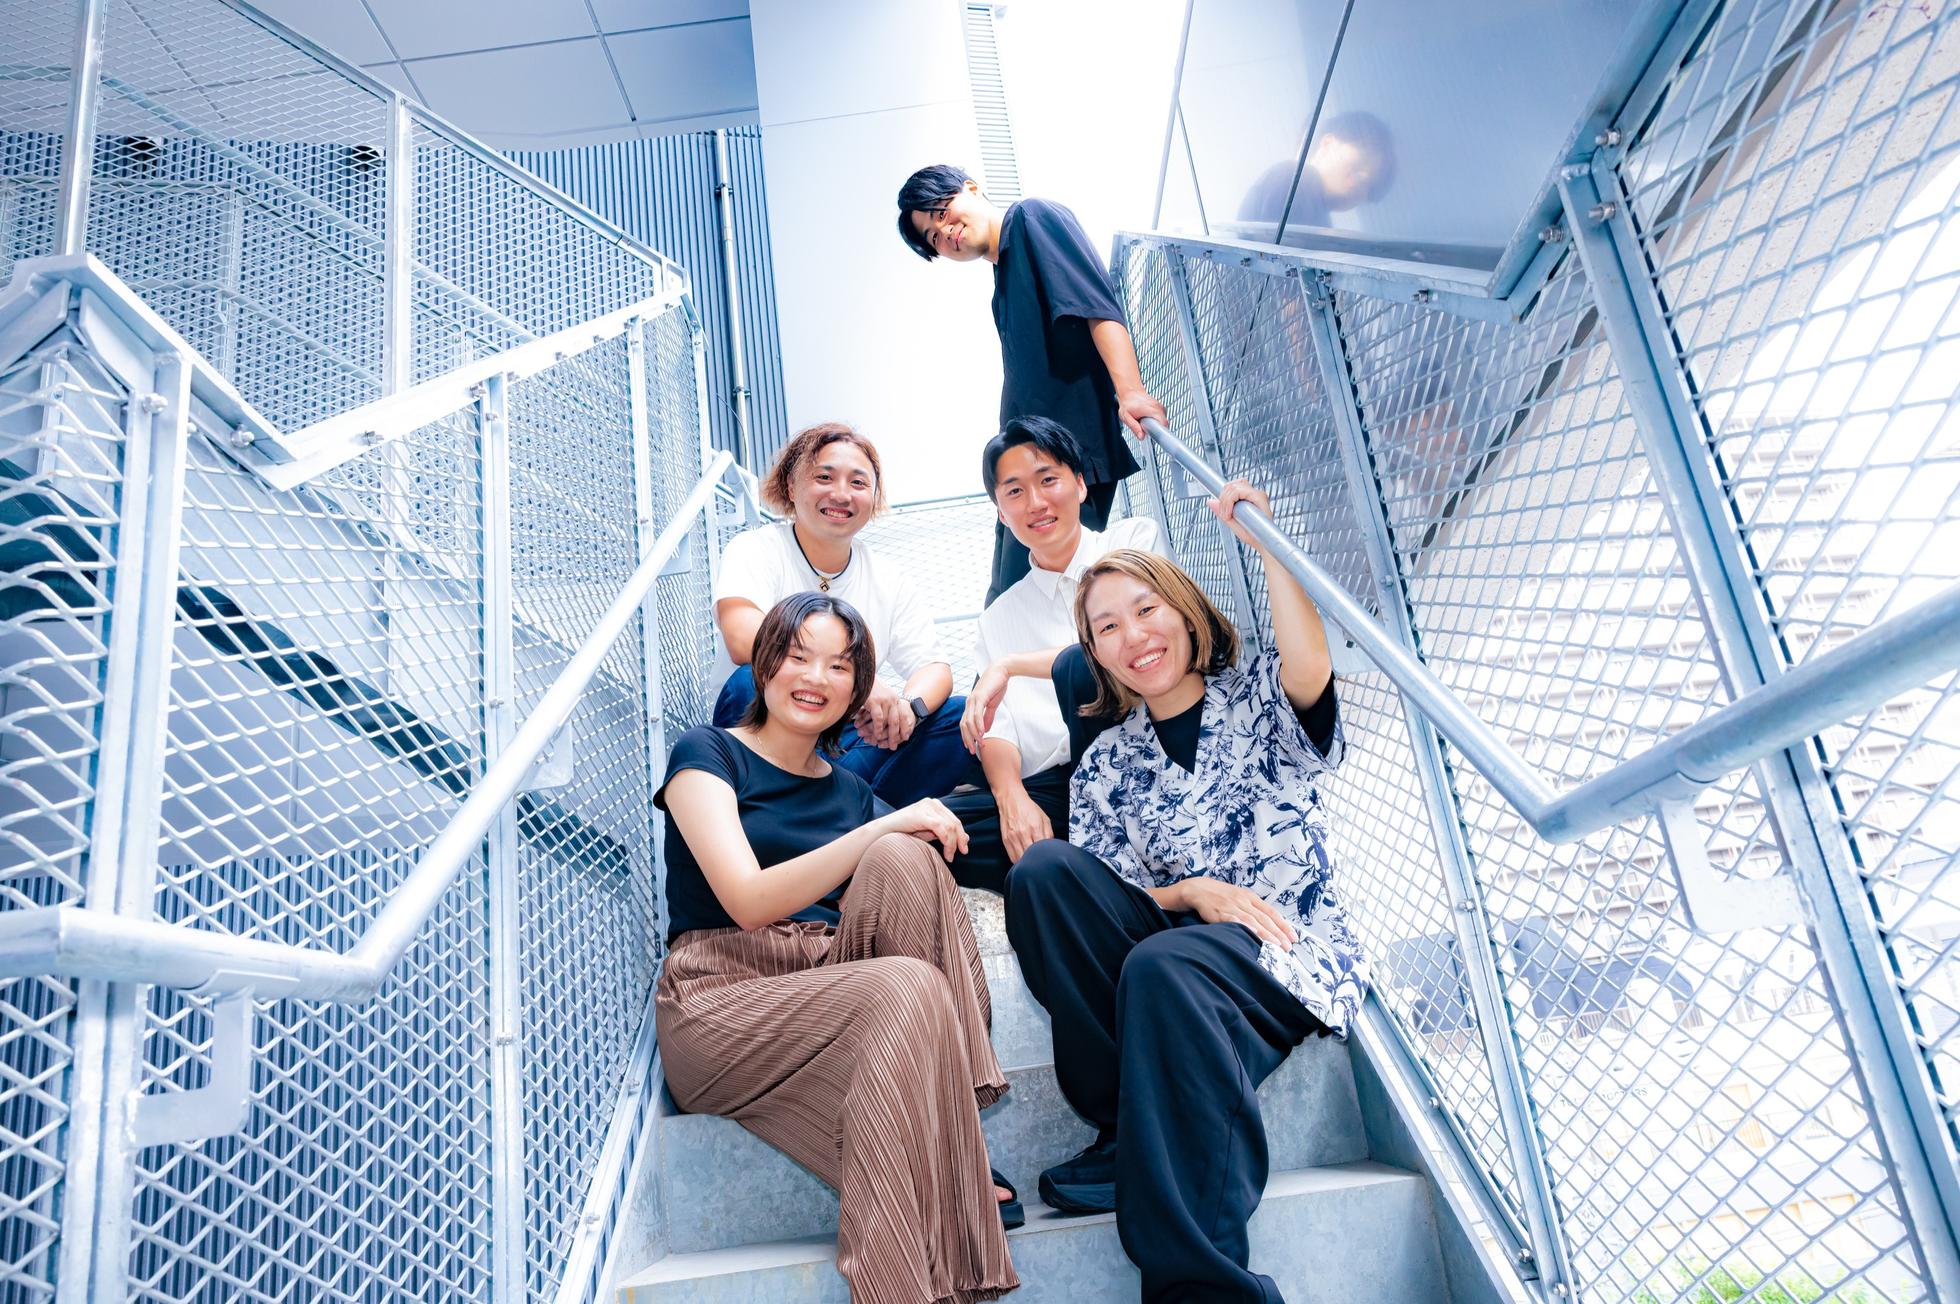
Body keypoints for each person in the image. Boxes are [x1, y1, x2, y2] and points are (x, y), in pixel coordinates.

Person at [1003, 480, 1365, 1303]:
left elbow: (1310, 665)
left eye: (1145, 610)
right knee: (1044, 872)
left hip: (1277, 950)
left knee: (1163, 966)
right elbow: (1109, 891)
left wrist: (1267, 546)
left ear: (1186, 611)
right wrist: (1193, 891)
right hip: (1169, 962)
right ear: (1095, 656)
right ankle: (1126, 1124)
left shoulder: (1260, 695)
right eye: (1106, 628)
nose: (1133, 635)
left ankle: (1203, 1289)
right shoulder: (1105, 762)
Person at [655, 591, 1022, 1304]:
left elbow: (916, 871)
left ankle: (946, 1124)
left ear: (858, 689)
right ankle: (950, 1152)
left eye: (838, 666)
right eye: (798, 657)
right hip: (721, 1000)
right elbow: (748, 900)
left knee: (910, 860)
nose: (815, 678)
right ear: (766, 663)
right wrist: (882, 827)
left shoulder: (850, 790)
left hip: (825, 988)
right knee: (904, 961)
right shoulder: (708, 752)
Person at [894, 165, 1167, 602]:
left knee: (1039, 600)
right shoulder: (1001, 283)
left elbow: (1096, 307)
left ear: (971, 189)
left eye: (942, 213)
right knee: (1010, 599)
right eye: (933, 237)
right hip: (1024, 469)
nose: (944, 233)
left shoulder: (1031, 218)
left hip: (1063, 464)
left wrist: (1130, 391)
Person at [941, 417, 1164, 893]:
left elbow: (1118, 651)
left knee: (1078, 669)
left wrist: (1011, 665)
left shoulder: (1131, 543)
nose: (1036, 503)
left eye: (1048, 480)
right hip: (1057, 787)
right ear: (1002, 513)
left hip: (1147, 755)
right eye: (1015, 491)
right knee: (931, 833)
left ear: (1080, 484)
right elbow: (998, 729)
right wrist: (1011, 799)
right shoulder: (999, 617)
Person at [712, 422, 970, 805]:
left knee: (959, 715)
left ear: (873, 497)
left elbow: (934, 667)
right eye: (824, 477)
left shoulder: (888, 578)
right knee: (749, 680)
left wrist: (908, 709)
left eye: (858, 483)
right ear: (791, 486)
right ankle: (803, 810)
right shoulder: (756, 549)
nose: (841, 494)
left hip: (845, 745)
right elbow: (740, 635)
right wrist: (859, 683)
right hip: (767, 735)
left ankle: (845, 809)